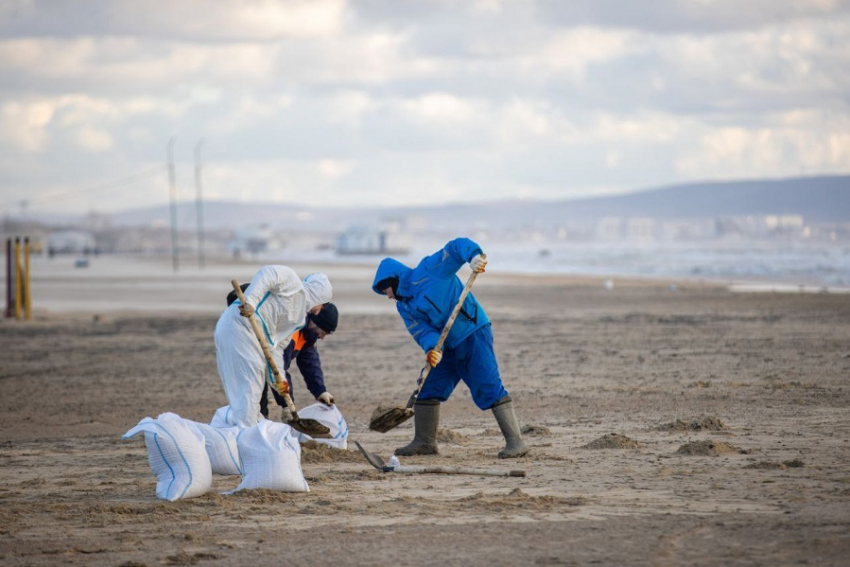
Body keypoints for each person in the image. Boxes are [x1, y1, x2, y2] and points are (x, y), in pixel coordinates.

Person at [371, 237, 529, 459]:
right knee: (428, 388)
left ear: (394, 279)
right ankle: (424, 442)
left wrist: (473, 256)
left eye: (385, 289)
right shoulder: (404, 306)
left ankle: (516, 442)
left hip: (472, 331)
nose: (387, 295)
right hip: (445, 345)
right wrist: (431, 349)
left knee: (487, 385)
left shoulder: (429, 270)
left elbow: (454, 248)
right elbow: (422, 331)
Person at [214, 265, 332, 428]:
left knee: (247, 394)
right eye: (322, 306)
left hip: (247, 336)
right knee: (249, 391)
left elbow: (276, 348)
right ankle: (246, 436)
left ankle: (243, 432)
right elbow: (267, 274)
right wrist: (251, 302)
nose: (318, 312)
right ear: (319, 296)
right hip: (240, 325)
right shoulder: (291, 282)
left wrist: (281, 382)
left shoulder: (298, 321)